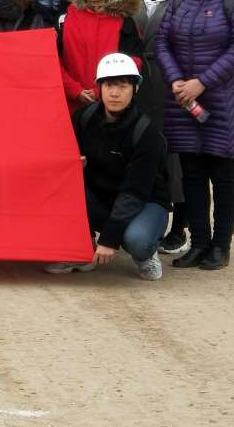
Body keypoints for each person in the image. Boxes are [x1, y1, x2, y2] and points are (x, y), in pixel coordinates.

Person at [154, 0, 234, 271]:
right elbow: (163, 43)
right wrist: (176, 80)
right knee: (193, 175)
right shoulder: (181, 1)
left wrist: (201, 83)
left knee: (223, 174)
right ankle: (199, 242)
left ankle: (220, 246)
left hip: (222, 103)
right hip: (184, 102)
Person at [45, 53, 170, 280]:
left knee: (137, 240)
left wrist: (110, 239)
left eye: (122, 86)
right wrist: (74, 163)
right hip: (102, 198)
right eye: (109, 85)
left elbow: (135, 192)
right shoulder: (83, 118)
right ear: (99, 88)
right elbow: (57, 156)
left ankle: (147, 253)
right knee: (62, 184)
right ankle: (82, 248)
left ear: (135, 89)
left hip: (144, 201)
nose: (114, 93)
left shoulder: (146, 133)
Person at [130, 0, 190, 256]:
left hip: (172, 83)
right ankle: (138, 220)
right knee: (139, 150)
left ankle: (179, 225)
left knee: (176, 154)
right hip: (136, 84)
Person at [59, 0, 143, 111]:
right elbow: (55, 60)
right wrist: (74, 90)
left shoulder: (123, 20)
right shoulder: (65, 17)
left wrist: (99, 91)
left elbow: (134, 62)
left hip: (111, 106)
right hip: (70, 104)